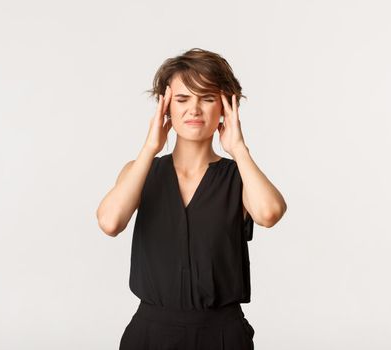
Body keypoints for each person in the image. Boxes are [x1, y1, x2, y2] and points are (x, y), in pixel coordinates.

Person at [96, 48, 287, 350]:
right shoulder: (141, 171)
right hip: (150, 334)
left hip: (223, 335)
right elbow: (109, 222)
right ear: (166, 106)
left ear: (226, 106)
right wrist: (149, 147)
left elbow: (269, 213)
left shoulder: (239, 177)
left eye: (208, 99)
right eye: (183, 99)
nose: (194, 109)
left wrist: (238, 148)